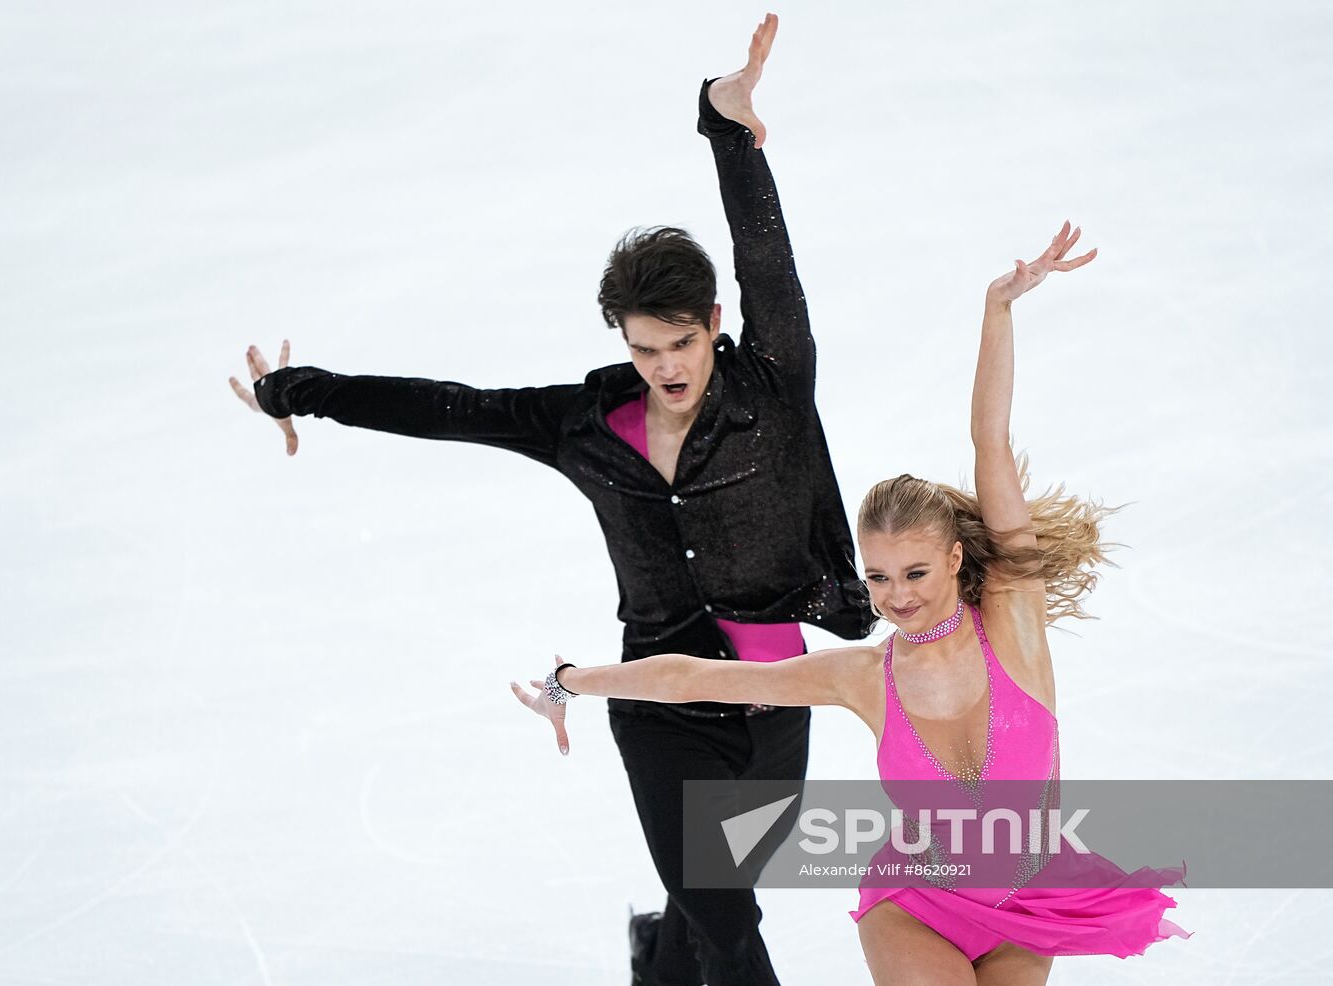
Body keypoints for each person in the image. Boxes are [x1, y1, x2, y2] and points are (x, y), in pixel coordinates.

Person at [231, 15, 873, 986]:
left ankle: (652, 958)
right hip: (658, 703)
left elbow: (764, 260)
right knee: (727, 918)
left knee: (720, 894)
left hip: (777, 696)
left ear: (711, 325)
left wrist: (723, 126)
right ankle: (675, 940)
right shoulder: (584, 425)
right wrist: (306, 389)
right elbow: (453, 409)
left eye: (681, 346)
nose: (664, 369)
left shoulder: (771, 384)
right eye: (642, 349)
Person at [514, 221, 1188, 984]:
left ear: (958, 559)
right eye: (878, 578)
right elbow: (695, 679)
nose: (895, 598)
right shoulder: (865, 676)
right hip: (915, 901)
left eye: (915, 574)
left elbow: (991, 445)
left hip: (1028, 901)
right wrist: (574, 680)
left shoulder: (1014, 624)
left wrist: (997, 311)